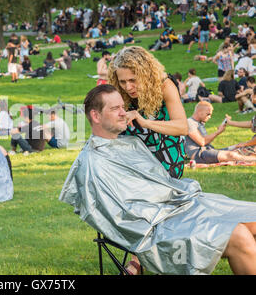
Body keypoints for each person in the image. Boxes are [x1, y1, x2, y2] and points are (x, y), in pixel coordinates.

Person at [60, 84, 256, 275]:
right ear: (95, 115)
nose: (123, 113)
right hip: (158, 227)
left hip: (182, 205)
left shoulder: (130, 143)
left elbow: (161, 183)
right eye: (115, 109)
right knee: (238, 236)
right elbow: (119, 219)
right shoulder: (92, 163)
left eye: (122, 107)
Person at [108, 46, 188, 179]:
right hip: (133, 154)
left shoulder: (165, 86)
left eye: (133, 80)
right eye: (123, 82)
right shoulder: (119, 90)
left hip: (164, 154)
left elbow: (182, 127)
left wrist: (145, 123)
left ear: (146, 74)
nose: (128, 87)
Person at [185, 101, 256, 164]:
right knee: (231, 155)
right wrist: (218, 132)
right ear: (199, 111)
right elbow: (202, 142)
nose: (209, 117)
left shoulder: (200, 123)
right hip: (199, 154)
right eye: (208, 114)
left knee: (237, 146)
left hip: (208, 151)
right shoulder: (190, 122)